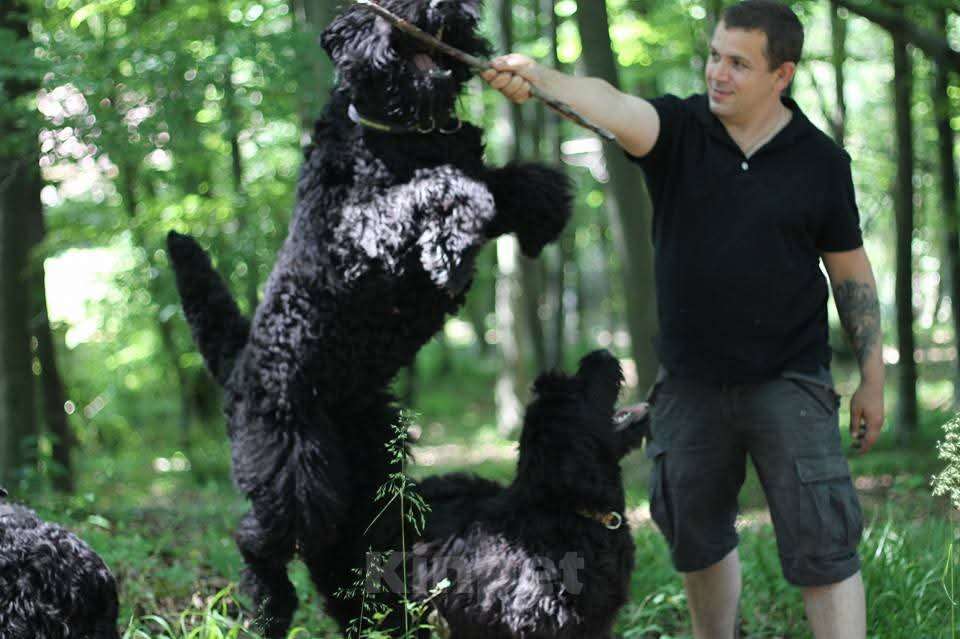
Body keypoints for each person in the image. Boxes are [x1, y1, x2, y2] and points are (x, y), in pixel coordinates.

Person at [482, 2, 884, 638]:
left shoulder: (820, 162)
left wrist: (873, 378)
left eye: (739, 63)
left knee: (825, 546)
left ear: (782, 75)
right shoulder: (678, 130)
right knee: (696, 538)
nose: (718, 73)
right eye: (715, 56)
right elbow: (610, 105)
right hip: (690, 386)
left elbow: (851, 274)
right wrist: (540, 77)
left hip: (790, 381)